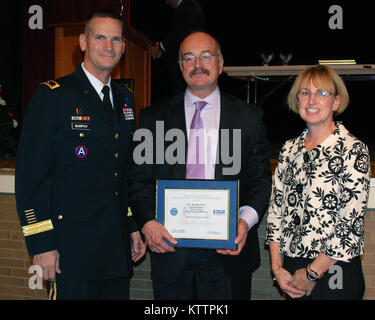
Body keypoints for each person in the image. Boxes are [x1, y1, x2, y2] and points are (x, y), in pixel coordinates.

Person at [130, 31, 272, 299]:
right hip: (170, 252)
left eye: (206, 56)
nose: (198, 64)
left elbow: (261, 181)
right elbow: (139, 181)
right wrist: (148, 222)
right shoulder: (153, 118)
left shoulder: (249, 118)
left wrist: (244, 222)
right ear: (180, 66)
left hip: (229, 255)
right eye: (189, 58)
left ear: (220, 64)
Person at [15, 9, 146, 300]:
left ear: (124, 47)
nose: (109, 46)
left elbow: (122, 174)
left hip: (114, 249)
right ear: (83, 42)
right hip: (68, 250)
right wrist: (41, 244)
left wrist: (132, 225)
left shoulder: (126, 99)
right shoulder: (54, 96)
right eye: (100, 38)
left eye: (115, 39)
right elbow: (30, 178)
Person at [266, 65, 370, 300]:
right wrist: (277, 269)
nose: (312, 99)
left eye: (322, 93)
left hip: (335, 270)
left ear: (336, 102)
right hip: (291, 268)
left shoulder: (353, 150)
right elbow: (276, 214)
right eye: (305, 92)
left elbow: (350, 224)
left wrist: (312, 274)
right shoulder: (289, 149)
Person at [151, 0, 205, 97]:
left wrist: (161, 47)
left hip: (185, 61)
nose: (166, 2)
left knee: (182, 95)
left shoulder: (189, 7)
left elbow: (179, 35)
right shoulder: (183, 8)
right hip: (180, 63)